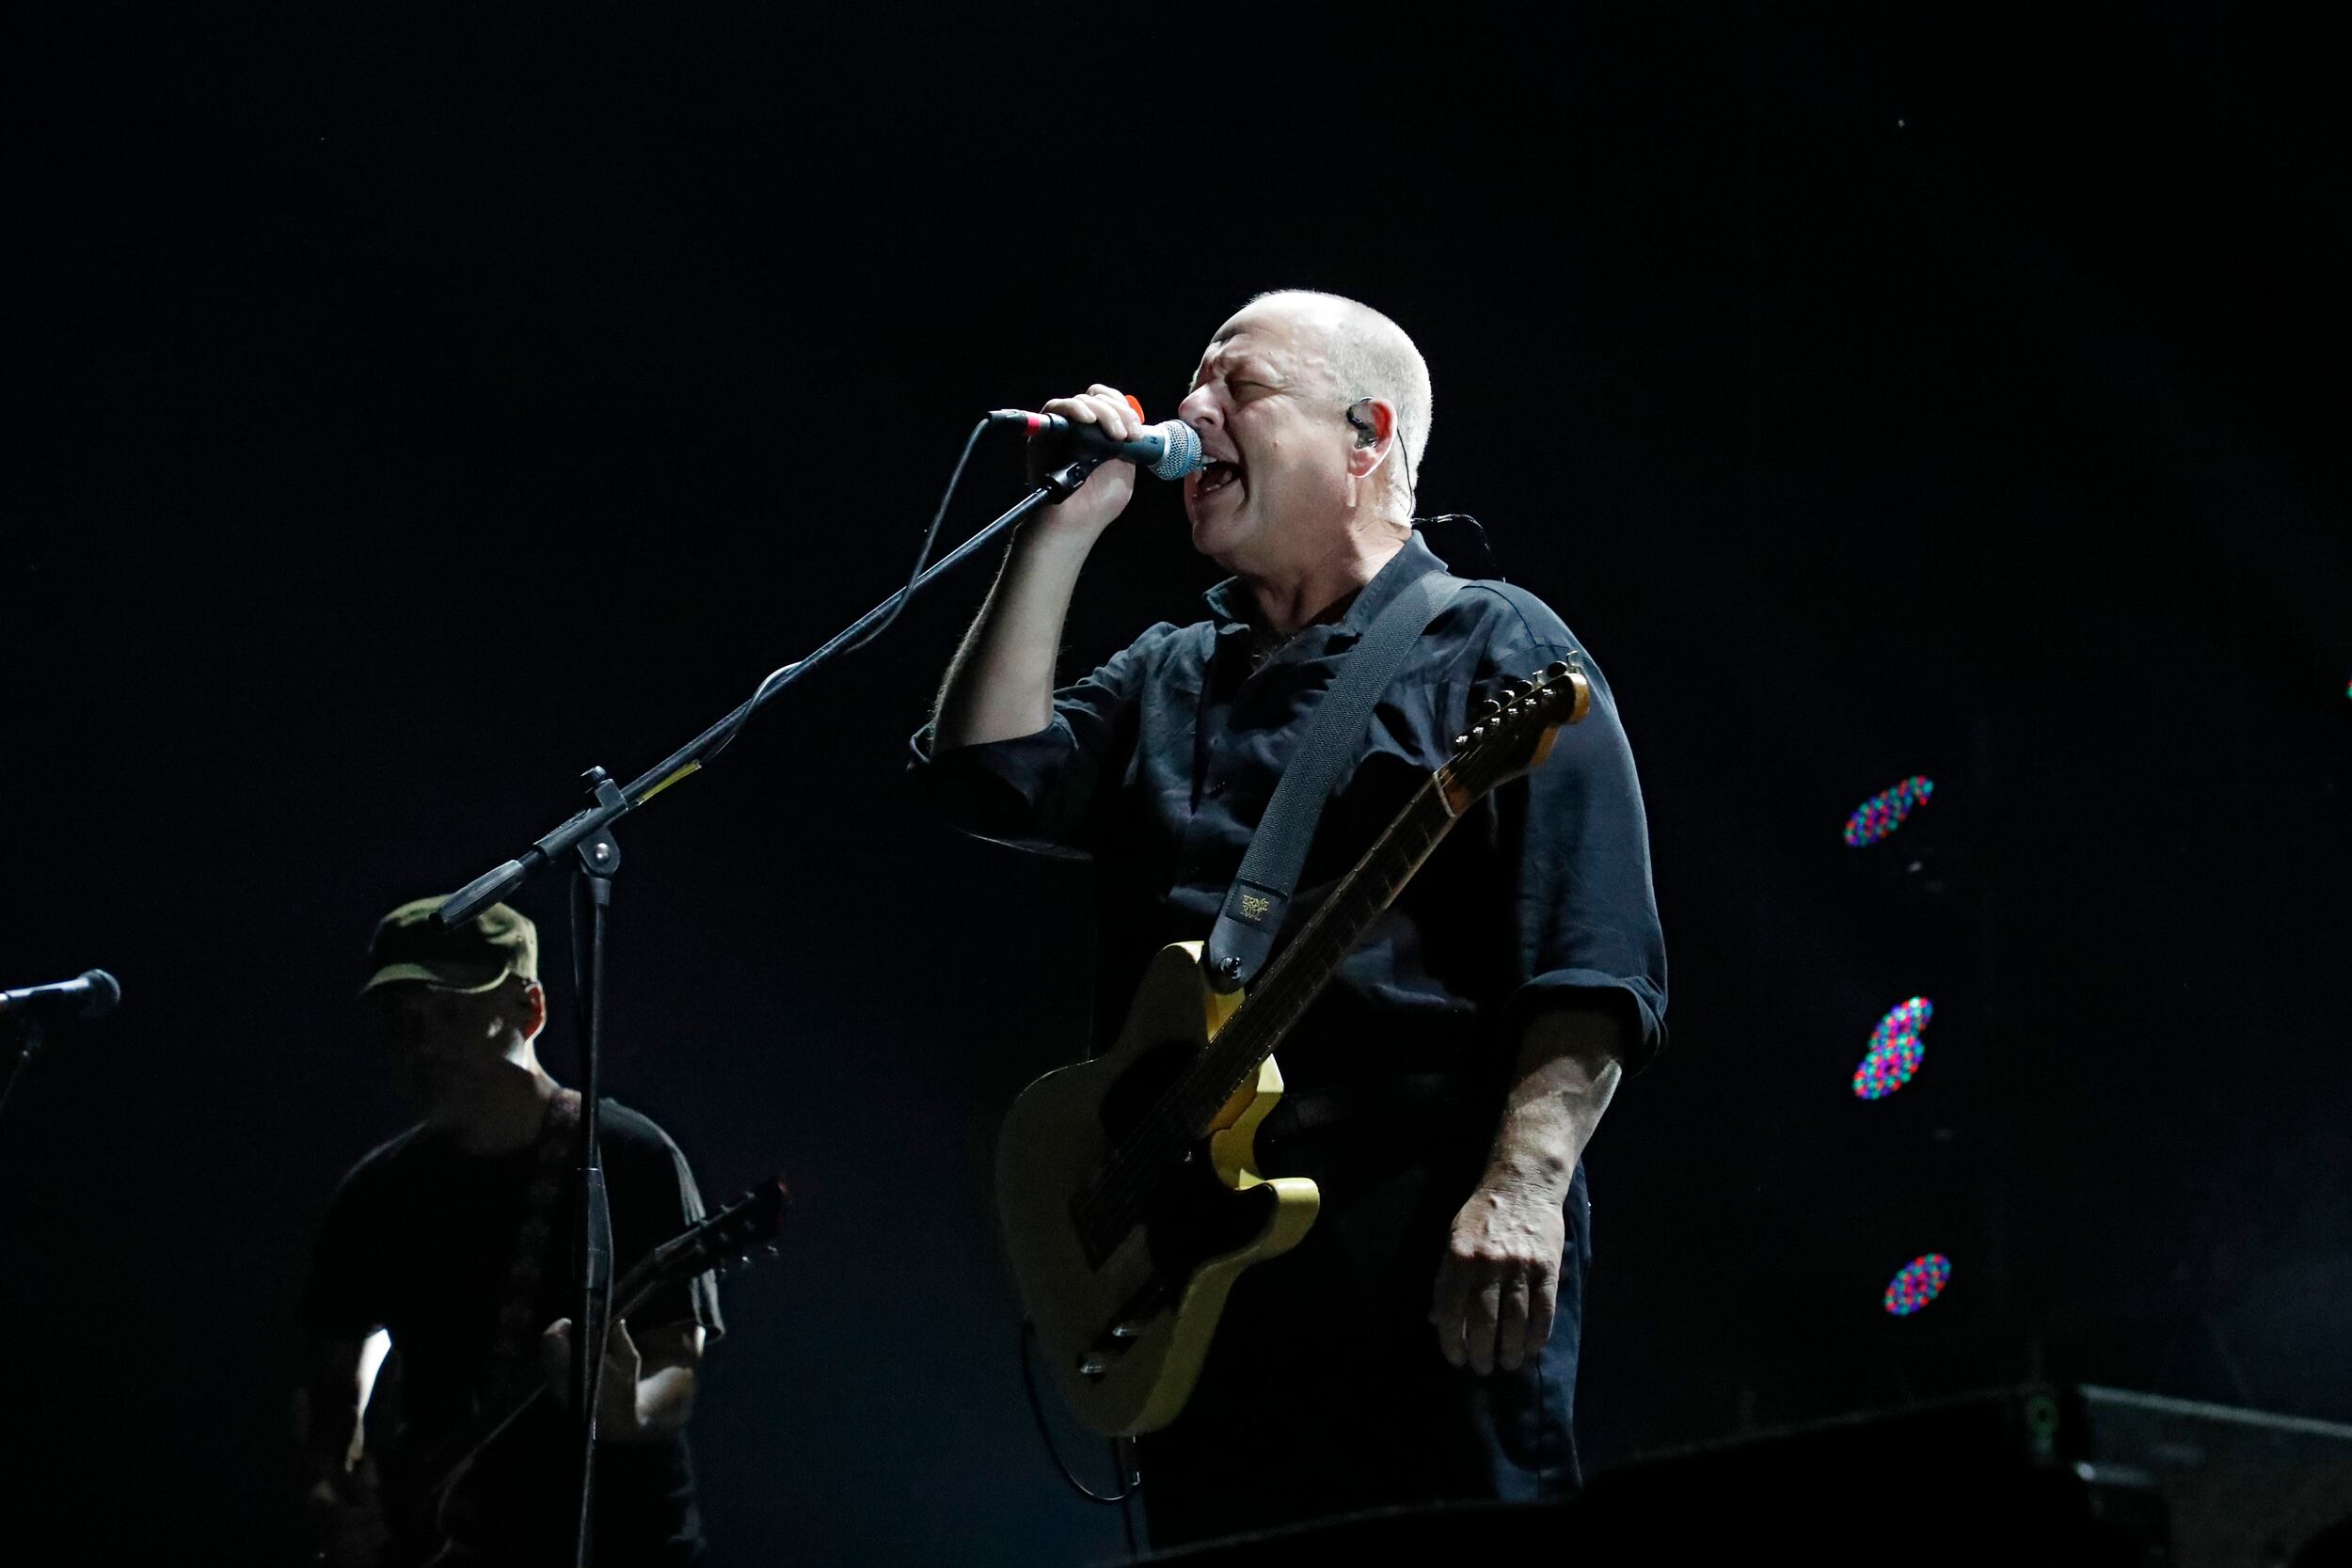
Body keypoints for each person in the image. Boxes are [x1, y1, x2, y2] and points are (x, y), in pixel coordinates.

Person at [914, 290, 1668, 1547]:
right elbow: (982, 772)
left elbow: (1590, 953)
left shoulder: (1498, 643)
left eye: (1238, 387)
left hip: (1412, 1238)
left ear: (1368, 435)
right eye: (1193, 385)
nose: (1192, 412)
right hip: (1196, 1262)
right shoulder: (1172, 668)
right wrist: (1059, 527)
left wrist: (1524, 1189)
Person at [297, 896, 723, 1567]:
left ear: (531, 1009)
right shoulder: (378, 1191)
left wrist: (626, 1411)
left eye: (451, 1011)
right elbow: (332, 1368)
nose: (424, 1042)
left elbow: (676, 1359)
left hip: (623, 1544)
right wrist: (334, 1486)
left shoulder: (633, 1158)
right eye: (403, 1019)